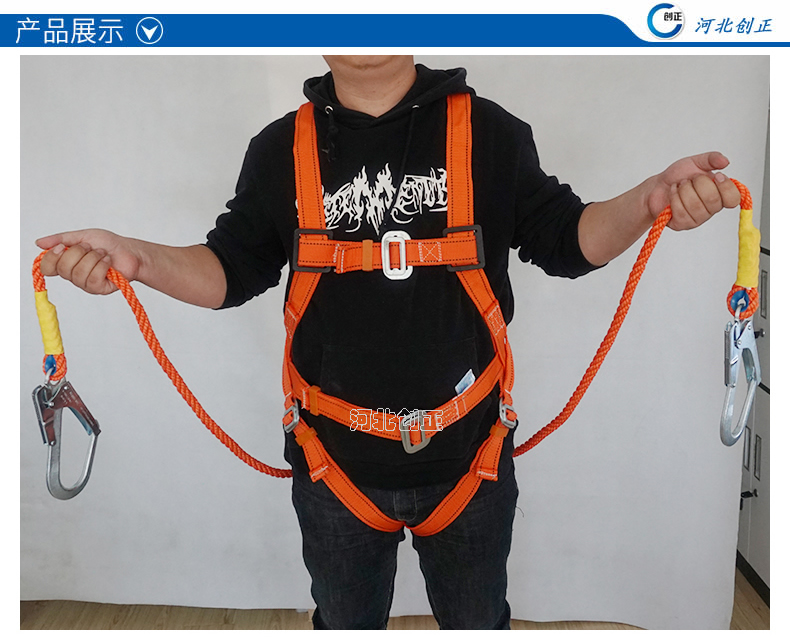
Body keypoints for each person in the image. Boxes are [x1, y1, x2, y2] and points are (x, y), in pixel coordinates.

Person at [36, 56, 741, 630]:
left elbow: (567, 239)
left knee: (477, 622)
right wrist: (136, 257)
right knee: (345, 622)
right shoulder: (281, 149)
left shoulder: (489, 133)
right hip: (333, 465)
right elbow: (229, 269)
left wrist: (648, 200)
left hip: (471, 459)